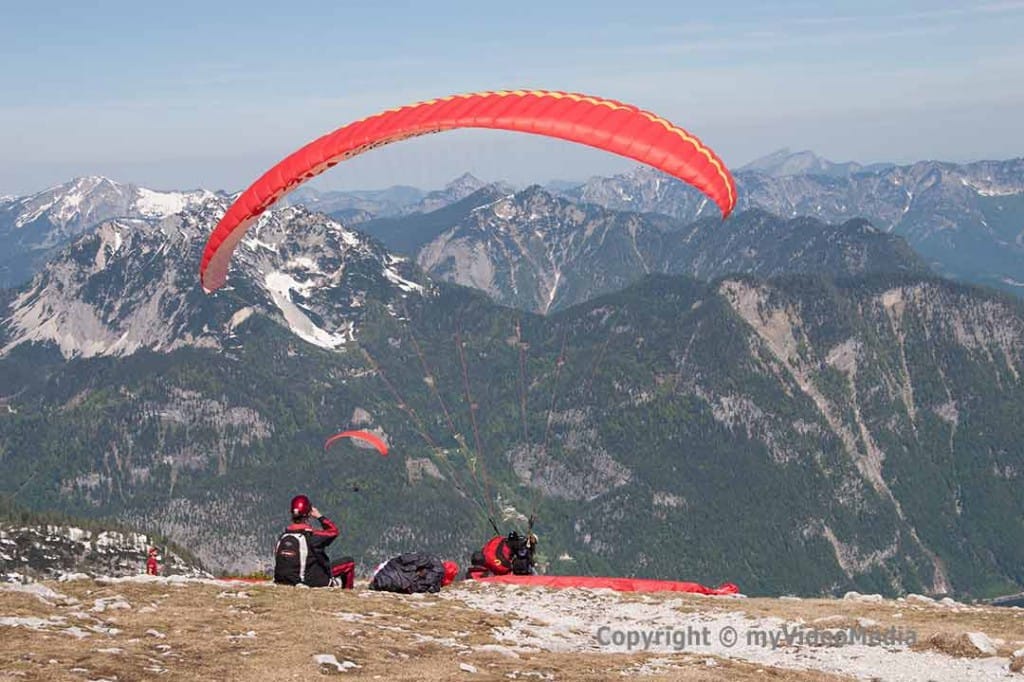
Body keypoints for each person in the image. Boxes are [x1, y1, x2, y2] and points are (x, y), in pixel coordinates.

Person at [273, 494, 355, 588]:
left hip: (283, 579)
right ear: (308, 513)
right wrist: (319, 516)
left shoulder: (284, 536)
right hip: (310, 579)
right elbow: (334, 531)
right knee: (349, 562)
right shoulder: (312, 536)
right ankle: (347, 593)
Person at [368, 553, 459, 594]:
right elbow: (419, 586)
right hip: (391, 581)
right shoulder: (437, 574)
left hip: (384, 573)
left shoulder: (429, 560)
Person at [466, 530, 537, 579]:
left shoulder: (499, 540)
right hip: (497, 564)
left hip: (488, 560)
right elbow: (503, 568)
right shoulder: (503, 560)